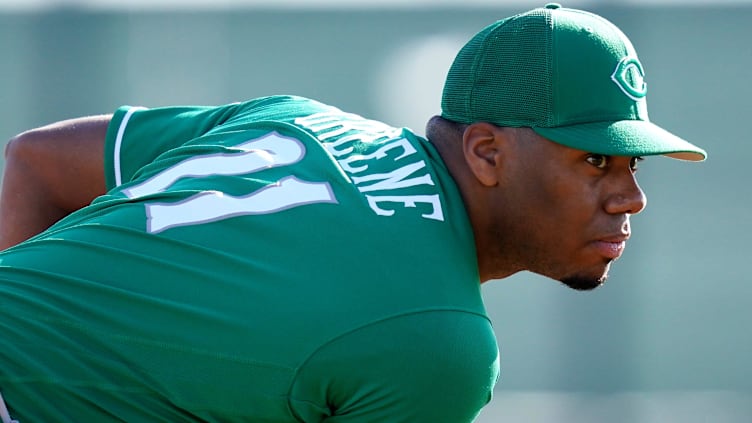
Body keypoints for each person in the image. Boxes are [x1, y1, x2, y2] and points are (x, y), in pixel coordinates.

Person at [0, 3, 706, 422]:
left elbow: (35, 159)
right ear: (487, 151)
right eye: (593, 161)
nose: (628, 196)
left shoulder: (301, 120)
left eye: (629, 163)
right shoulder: (439, 345)